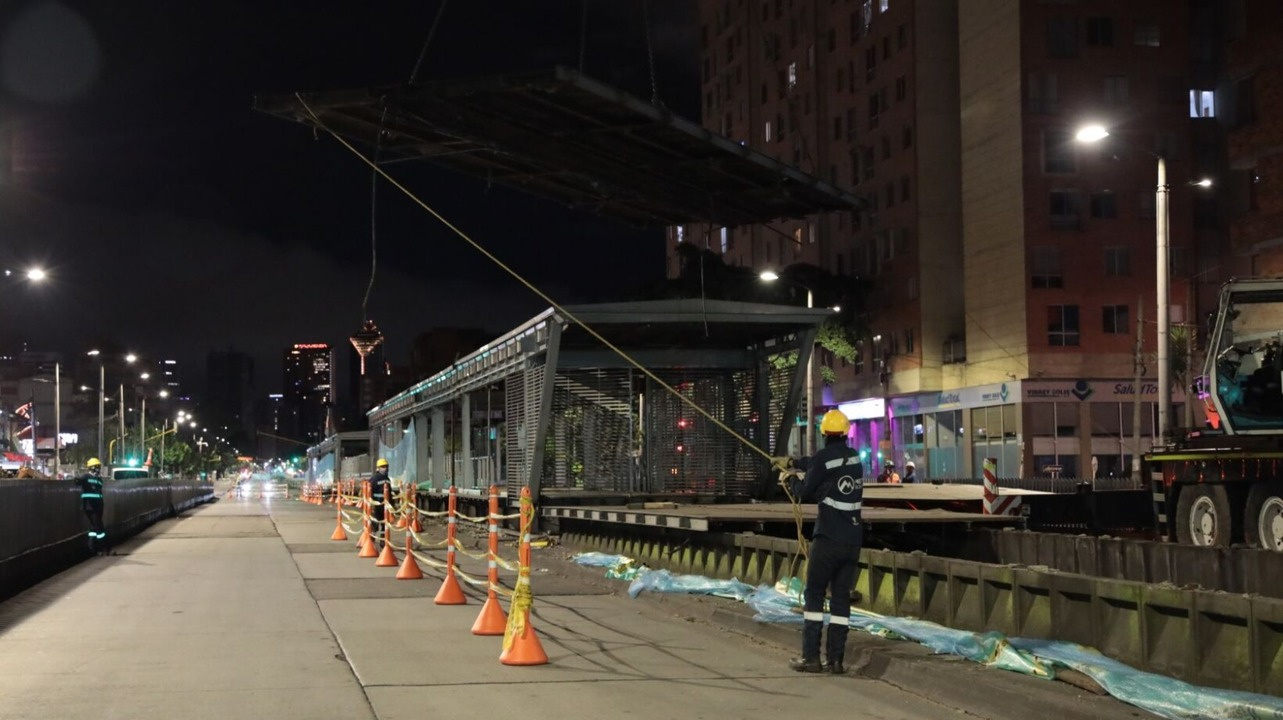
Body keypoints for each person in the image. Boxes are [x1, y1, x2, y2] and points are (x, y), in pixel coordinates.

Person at [773, 409, 864, 674]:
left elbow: (805, 490)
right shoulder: (855, 457)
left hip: (827, 540)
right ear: (845, 433)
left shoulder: (824, 458)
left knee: (813, 596)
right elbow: (820, 463)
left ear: (824, 433)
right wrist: (794, 463)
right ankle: (836, 661)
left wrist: (788, 480)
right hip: (852, 541)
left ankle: (811, 657)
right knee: (840, 602)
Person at [73, 458, 109, 555]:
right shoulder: (86, 477)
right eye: (97, 467)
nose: (99, 469)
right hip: (90, 507)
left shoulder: (98, 479)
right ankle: (104, 548)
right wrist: (76, 479)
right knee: (99, 528)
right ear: (92, 467)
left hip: (98, 507)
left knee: (93, 528)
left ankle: (92, 548)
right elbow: (79, 481)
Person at [368, 458, 392, 549]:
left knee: (384, 524)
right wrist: (372, 503)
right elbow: (369, 492)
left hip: (385, 506)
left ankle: (383, 541)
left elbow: (389, 492)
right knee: (375, 524)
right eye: (383, 466)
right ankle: (371, 539)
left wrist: (392, 504)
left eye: (386, 466)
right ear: (378, 468)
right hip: (377, 505)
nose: (385, 468)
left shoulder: (388, 479)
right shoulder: (374, 479)